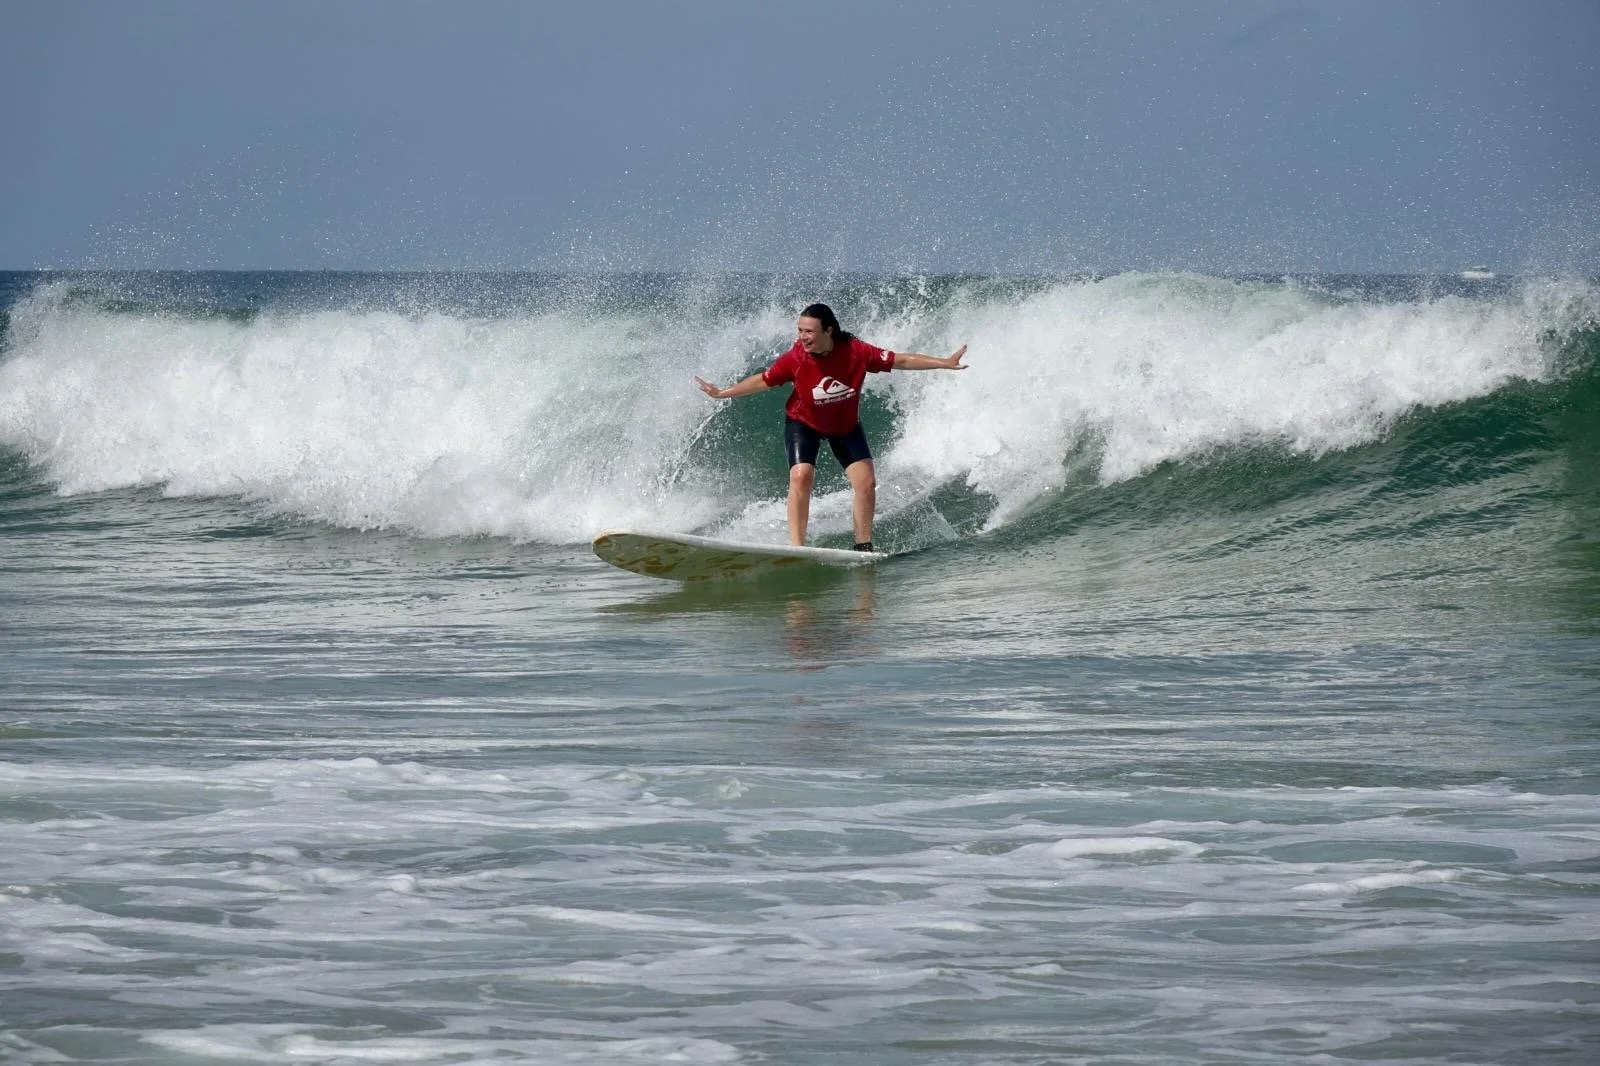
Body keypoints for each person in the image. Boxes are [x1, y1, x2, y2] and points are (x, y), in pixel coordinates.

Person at [694, 303, 967, 551]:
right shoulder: (796, 359)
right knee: (801, 476)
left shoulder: (856, 352)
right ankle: (798, 548)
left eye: (809, 331)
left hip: (844, 426)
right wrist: (723, 393)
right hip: (803, 423)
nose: (802, 337)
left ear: (829, 331)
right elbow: (763, 381)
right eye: (800, 330)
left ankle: (863, 546)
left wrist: (943, 363)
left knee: (866, 483)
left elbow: (901, 360)